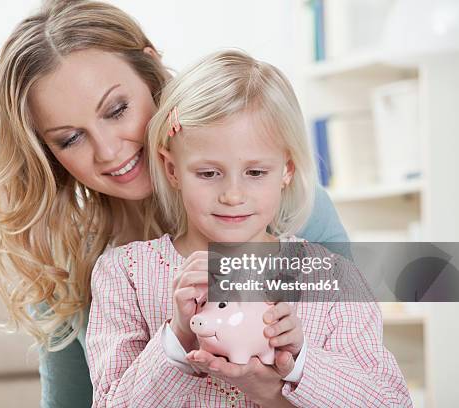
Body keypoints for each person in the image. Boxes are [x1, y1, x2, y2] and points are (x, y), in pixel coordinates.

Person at [0, 1, 349, 407]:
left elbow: (358, 372)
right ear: (48, 154)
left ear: (151, 73)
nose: (109, 150)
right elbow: (73, 401)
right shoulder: (71, 262)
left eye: (117, 110)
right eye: (70, 138)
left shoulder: (286, 207)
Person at [86, 50, 411, 407]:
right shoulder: (125, 274)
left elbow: (391, 401)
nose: (233, 195)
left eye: (256, 173)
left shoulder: (332, 276)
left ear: (286, 170)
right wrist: (178, 337)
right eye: (208, 173)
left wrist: (300, 362)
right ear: (172, 169)